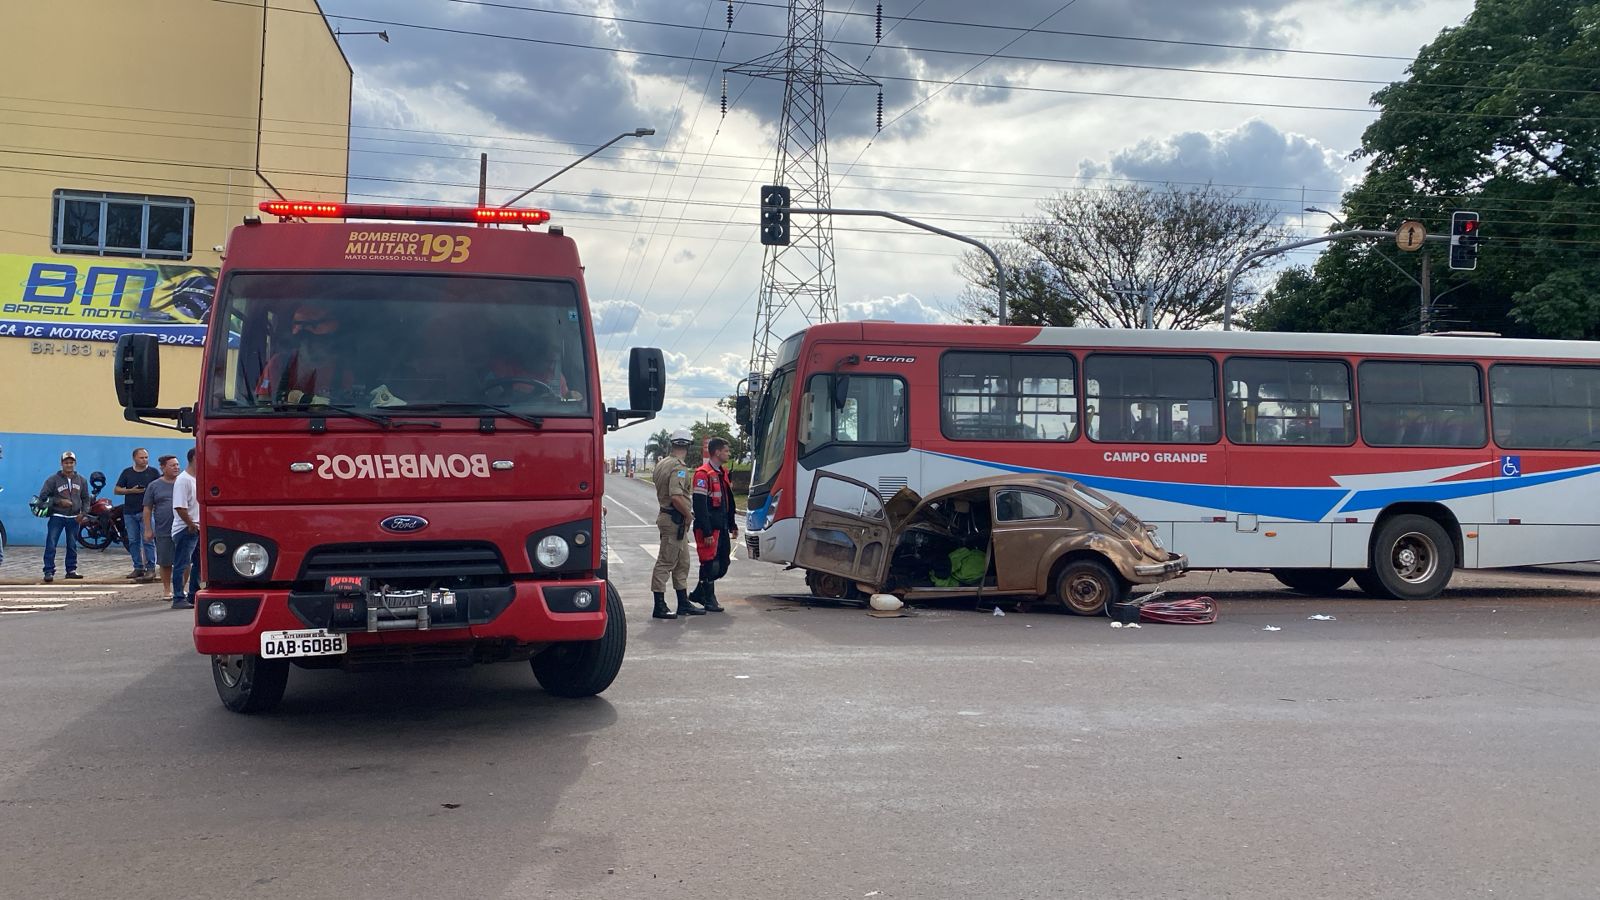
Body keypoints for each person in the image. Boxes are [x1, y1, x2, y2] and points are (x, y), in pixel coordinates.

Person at [255, 302, 354, 405]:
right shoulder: (279, 363)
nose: (313, 346)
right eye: (309, 339)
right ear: (300, 339)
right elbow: (263, 405)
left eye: (324, 340)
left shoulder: (341, 370)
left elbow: (347, 407)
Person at [650, 429, 702, 620]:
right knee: (666, 562)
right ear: (688, 445)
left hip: (670, 518)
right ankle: (659, 605)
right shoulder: (678, 467)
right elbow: (676, 496)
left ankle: (683, 603)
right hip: (674, 519)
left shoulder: (662, 463)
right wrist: (688, 515)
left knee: (682, 562)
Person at [689, 437, 738, 613]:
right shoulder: (703, 474)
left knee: (723, 564)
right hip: (709, 528)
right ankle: (708, 598)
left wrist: (732, 524)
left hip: (722, 525)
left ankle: (698, 592)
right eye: (726, 451)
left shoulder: (721, 473)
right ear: (717, 452)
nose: (728, 454)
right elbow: (700, 506)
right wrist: (707, 531)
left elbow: (728, 501)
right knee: (709, 563)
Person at [37, 451, 90, 584]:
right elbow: (43, 496)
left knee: (72, 545)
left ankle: (71, 570)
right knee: (51, 544)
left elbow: (86, 498)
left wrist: (83, 513)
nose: (69, 465)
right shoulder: (53, 480)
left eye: (71, 462)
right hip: (57, 516)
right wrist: (59, 501)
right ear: (61, 464)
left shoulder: (82, 480)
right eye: (66, 462)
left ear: (75, 463)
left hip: (74, 518)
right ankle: (48, 571)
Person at [114, 447, 160, 581]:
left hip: (147, 511)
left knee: (148, 540)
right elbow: (117, 489)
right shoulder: (127, 473)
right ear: (134, 458)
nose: (145, 460)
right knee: (133, 541)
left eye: (146, 457)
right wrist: (131, 491)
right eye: (142, 457)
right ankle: (138, 567)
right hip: (129, 511)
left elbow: (159, 487)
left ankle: (151, 568)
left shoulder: (153, 472)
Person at [142, 455, 181, 601]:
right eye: (172, 465)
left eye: (177, 465)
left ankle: (181, 589)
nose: (176, 467)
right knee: (165, 561)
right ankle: (167, 589)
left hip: (184, 527)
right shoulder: (154, 486)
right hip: (164, 529)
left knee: (184, 560)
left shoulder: (184, 482)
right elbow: (147, 508)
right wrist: (148, 529)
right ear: (163, 468)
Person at [170, 448, 202, 610]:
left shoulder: (197, 478)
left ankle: (193, 593)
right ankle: (178, 596)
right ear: (195, 458)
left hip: (196, 527)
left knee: (199, 564)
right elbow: (180, 507)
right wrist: (190, 524)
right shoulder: (184, 480)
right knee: (182, 563)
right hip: (186, 529)